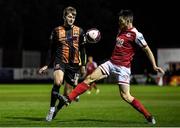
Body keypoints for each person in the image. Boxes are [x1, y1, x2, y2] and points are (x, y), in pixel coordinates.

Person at [55, 9, 165, 124]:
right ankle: (68, 99)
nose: (119, 22)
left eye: (121, 21)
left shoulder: (136, 34)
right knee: (89, 79)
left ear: (128, 21)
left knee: (126, 96)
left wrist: (154, 65)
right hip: (111, 63)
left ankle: (148, 116)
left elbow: (147, 50)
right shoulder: (121, 30)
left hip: (123, 68)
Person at [38, 6, 86, 122]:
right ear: (64, 16)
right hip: (60, 61)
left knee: (73, 91)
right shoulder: (56, 31)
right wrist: (46, 64)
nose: (71, 19)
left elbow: (83, 50)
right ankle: (51, 109)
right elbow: (51, 49)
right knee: (58, 82)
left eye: (73, 17)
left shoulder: (80, 31)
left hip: (74, 64)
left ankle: (59, 106)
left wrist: (83, 65)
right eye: (69, 16)